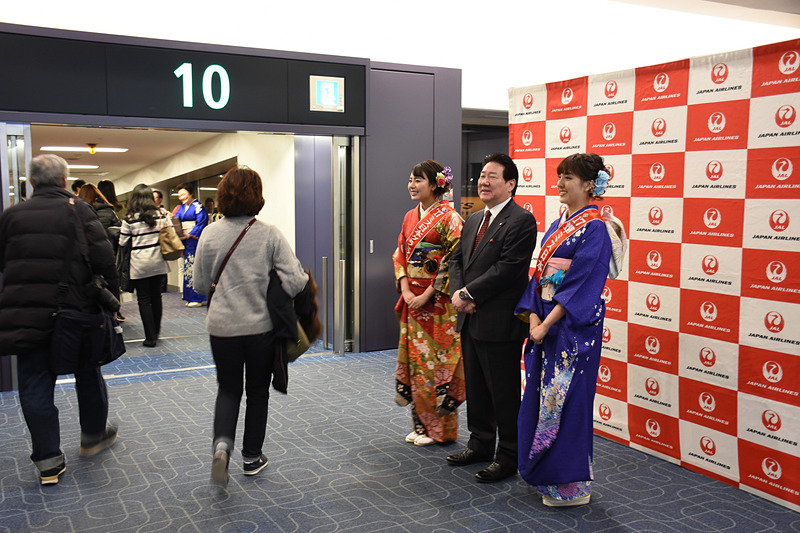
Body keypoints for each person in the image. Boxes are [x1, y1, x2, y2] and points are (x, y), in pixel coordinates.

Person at [0, 154, 118, 485]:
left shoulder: (12, 216)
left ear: (32, 182)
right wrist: (114, 300)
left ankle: (48, 459)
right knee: (88, 371)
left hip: (25, 312)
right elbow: (104, 259)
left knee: (34, 381)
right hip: (76, 311)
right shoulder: (79, 210)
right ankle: (93, 436)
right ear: (65, 182)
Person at [194, 166, 310, 486]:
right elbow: (297, 280)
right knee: (257, 392)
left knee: (228, 389)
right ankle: (251, 457)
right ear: (257, 196)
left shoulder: (209, 234)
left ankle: (221, 446)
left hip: (221, 328)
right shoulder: (269, 233)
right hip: (260, 329)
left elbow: (201, 284)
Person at [514, 153, 618, 507]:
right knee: (545, 398)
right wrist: (533, 316)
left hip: (572, 328)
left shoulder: (596, 228)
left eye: (568, 178)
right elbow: (541, 275)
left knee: (567, 400)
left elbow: (582, 284)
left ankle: (570, 485)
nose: (559, 184)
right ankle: (546, 475)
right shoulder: (561, 223)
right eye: (560, 177)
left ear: (589, 185)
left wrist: (545, 321)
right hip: (547, 323)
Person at [446, 152, 537, 483]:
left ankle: (509, 456)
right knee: (478, 388)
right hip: (470, 320)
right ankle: (480, 444)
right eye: (482, 176)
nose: (483, 181)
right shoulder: (472, 219)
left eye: (492, 176)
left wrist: (469, 295)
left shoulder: (522, 220)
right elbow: (456, 261)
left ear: (510, 183)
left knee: (503, 393)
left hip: (499, 323)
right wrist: (460, 294)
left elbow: (509, 270)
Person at [393, 160, 465, 446]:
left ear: (435, 184)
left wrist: (426, 294)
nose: (412, 184)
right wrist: (406, 289)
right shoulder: (410, 216)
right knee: (417, 362)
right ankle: (422, 426)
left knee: (438, 364)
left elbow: (453, 261)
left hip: (437, 303)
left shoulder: (451, 218)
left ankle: (442, 430)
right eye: (410, 179)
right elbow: (399, 255)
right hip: (412, 298)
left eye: (418, 180)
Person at [119, 184, 174, 347]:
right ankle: (156, 332)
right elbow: (169, 232)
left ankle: (149, 337)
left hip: (139, 263)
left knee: (143, 299)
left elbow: (122, 242)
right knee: (157, 296)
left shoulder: (129, 218)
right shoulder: (161, 214)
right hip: (158, 261)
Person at [79, 183, 126, 321]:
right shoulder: (109, 211)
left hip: (86, 255)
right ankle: (114, 311)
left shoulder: (77, 211)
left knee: (89, 284)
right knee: (110, 283)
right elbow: (119, 230)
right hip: (107, 252)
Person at [172, 183, 208, 307]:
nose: (181, 197)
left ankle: (197, 297)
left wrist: (190, 234)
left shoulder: (198, 207)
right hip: (185, 240)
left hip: (194, 240)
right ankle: (188, 295)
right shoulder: (181, 208)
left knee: (194, 267)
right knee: (187, 267)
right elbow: (176, 221)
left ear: (190, 193)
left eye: (183, 194)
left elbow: (201, 223)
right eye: (179, 195)